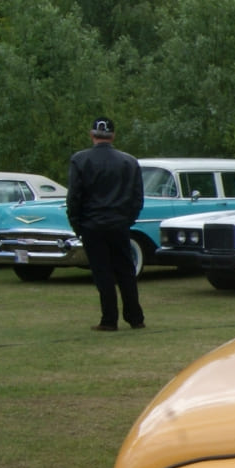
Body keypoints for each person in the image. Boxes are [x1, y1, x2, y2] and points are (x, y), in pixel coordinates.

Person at [67, 117, 145, 331]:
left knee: (103, 273)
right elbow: (137, 196)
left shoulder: (80, 160)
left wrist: (77, 224)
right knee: (126, 271)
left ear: (92, 135)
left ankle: (109, 319)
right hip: (119, 223)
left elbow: (74, 196)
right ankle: (135, 317)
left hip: (93, 224)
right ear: (113, 136)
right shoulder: (129, 161)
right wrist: (128, 219)